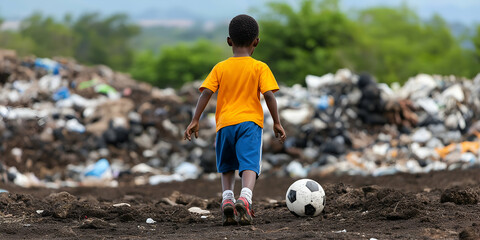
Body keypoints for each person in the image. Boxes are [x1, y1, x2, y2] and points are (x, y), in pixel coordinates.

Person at [184, 14, 286, 226]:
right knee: (249, 163)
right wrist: (277, 122)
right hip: (250, 124)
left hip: (224, 125)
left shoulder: (220, 67)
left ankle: (227, 200)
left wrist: (195, 119)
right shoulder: (260, 67)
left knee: (227, 165)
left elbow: (206, 93)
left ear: (229, 41)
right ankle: (245, 198)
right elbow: (269, 95)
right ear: (256, 42)